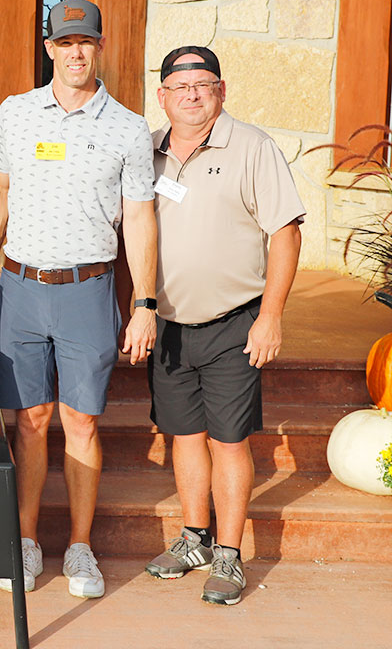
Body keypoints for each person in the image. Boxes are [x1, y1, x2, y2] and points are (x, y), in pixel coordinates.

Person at [0, 0, 157, 599]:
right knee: (29, 420)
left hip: (89, 287)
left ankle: (80, 548)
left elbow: (139, 218)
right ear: (49, 48)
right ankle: (26, 542)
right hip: (23, 286)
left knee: (80, 421)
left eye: (86, 42)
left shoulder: (129, 127)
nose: (76, 51)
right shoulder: (16, 113)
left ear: (100, 46)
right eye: (65, 42)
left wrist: (145, 302)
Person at [143, 46, 304, 606]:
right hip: (166, 324)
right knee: (185, 437)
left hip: (233, 323)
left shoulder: (252, 147)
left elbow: (285, 232)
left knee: (229, 442)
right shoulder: (148, 151)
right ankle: (194, 539)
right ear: (162, 95)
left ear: (221, 90)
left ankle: (230, 557)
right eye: (180, 86)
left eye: (203, 84)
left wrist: (271, 316)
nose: (192, 94)